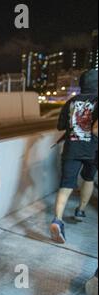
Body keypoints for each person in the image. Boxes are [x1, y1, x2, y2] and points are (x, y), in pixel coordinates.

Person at [50, 69, 98, 244]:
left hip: (72, 148)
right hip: (93, 150)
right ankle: (80, 210)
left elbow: (60, 127)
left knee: (66, 184)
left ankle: (57, 219)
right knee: (88, 178)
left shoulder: (70, 102)